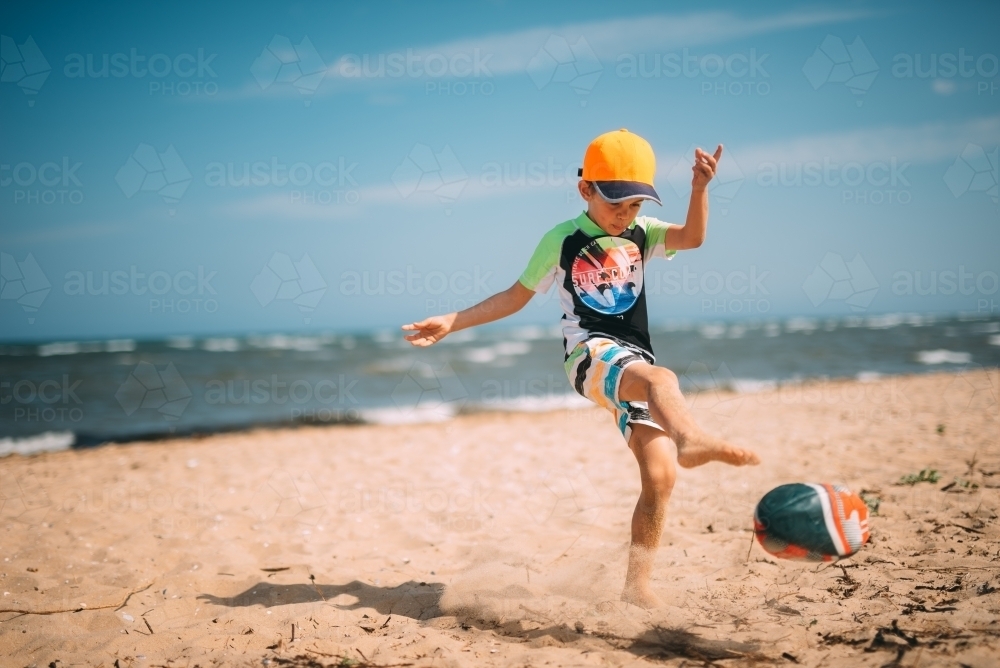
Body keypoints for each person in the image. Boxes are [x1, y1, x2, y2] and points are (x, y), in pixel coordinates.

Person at [401, 129, 760, 608]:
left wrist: (699, 189)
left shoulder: (643, 232)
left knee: (660, 477)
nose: (625, 213)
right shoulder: (563, 240)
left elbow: (692, 238)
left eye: (634, 204)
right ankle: (691, 438)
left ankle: (637, 587)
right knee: (663, 380)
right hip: (589, 356)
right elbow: (514, 296)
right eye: (615, 202)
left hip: (633, 364)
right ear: (585, 189)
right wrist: (454, 320)